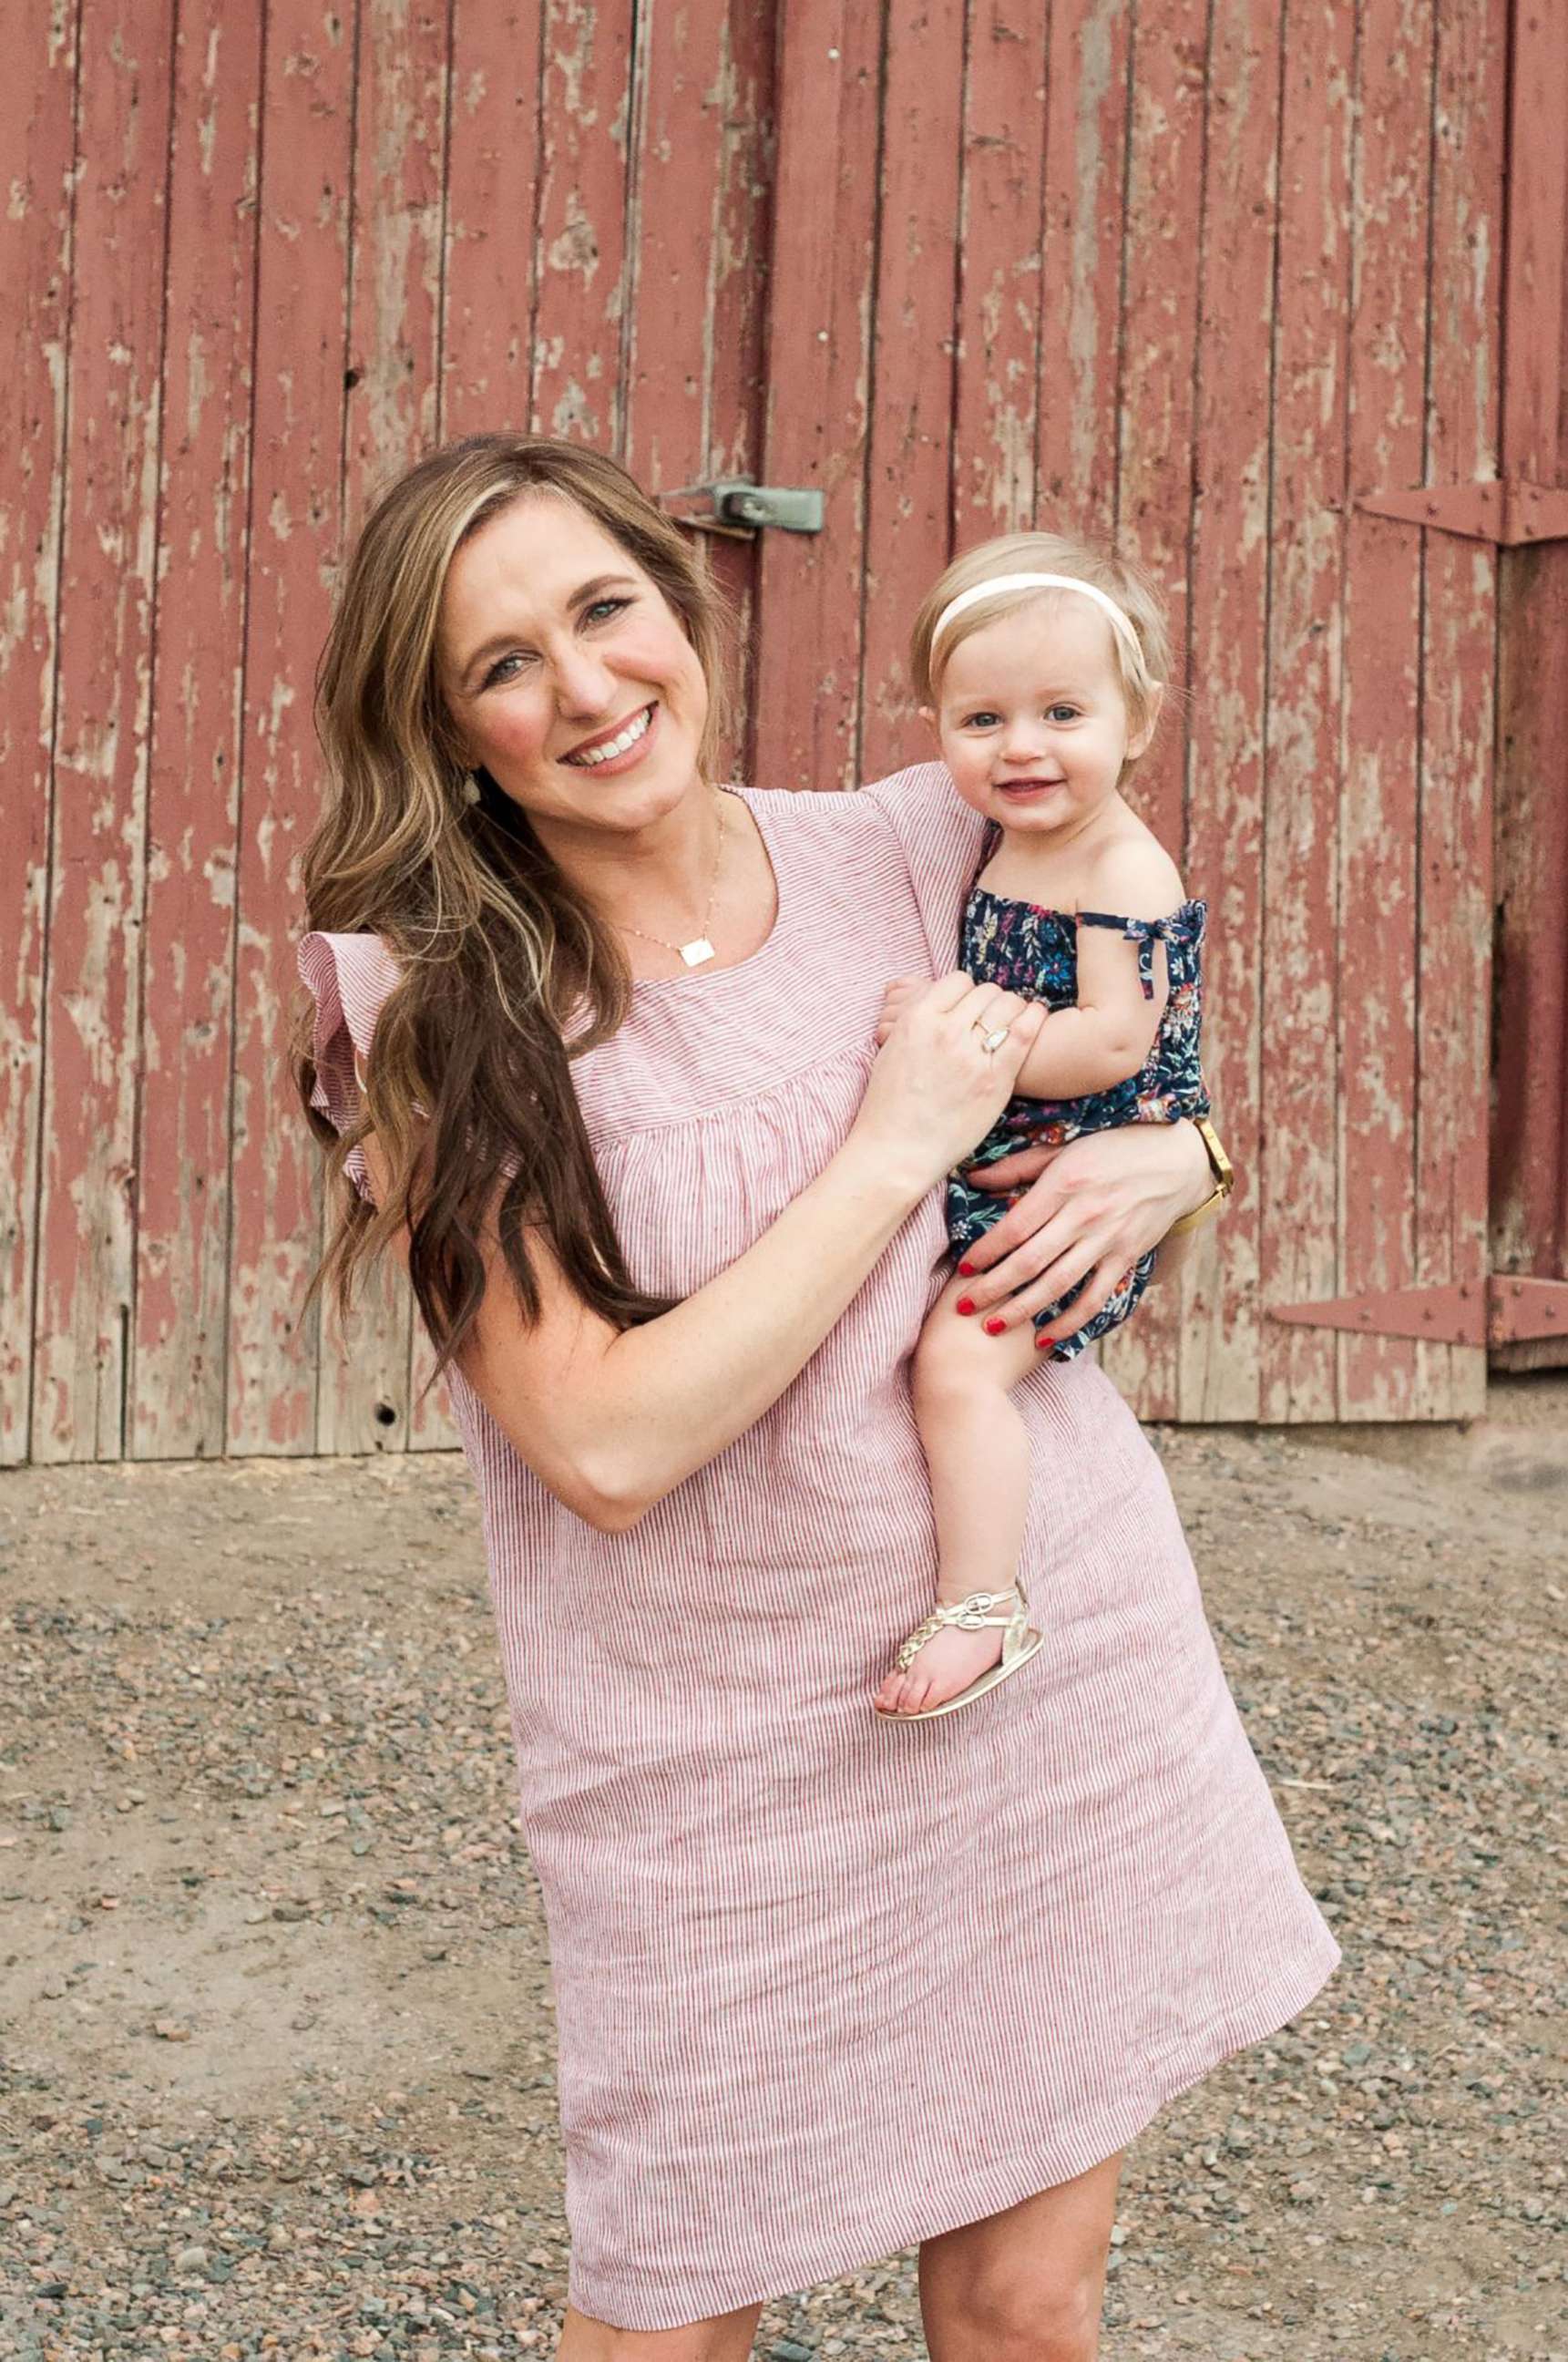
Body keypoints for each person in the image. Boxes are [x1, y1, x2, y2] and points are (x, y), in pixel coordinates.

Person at [295, 434, 1337, 2362]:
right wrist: (890, 1143)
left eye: (609, 610)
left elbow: (1130, 1085)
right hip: (711, 1762)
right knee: (674, 2323)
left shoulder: (925, 846)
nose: (592, 688)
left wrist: (1192, 1155)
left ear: (684, 610)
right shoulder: (449, 1013)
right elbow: (603, 1443)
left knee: (1028, 2310)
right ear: (445, 732)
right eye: (506, 664)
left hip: (1044, 1662)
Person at [872, 535, 1209, 1722]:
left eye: (1061, 711)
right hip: (1004, 1171)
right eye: (981, 719)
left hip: (1072, 1203)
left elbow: (1114, 1042)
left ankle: (982, 1603)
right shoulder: (1000, 835)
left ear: (1138, 720)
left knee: (955, 1366)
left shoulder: (1121, 865)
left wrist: (967, 1026)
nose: (1020, 747)